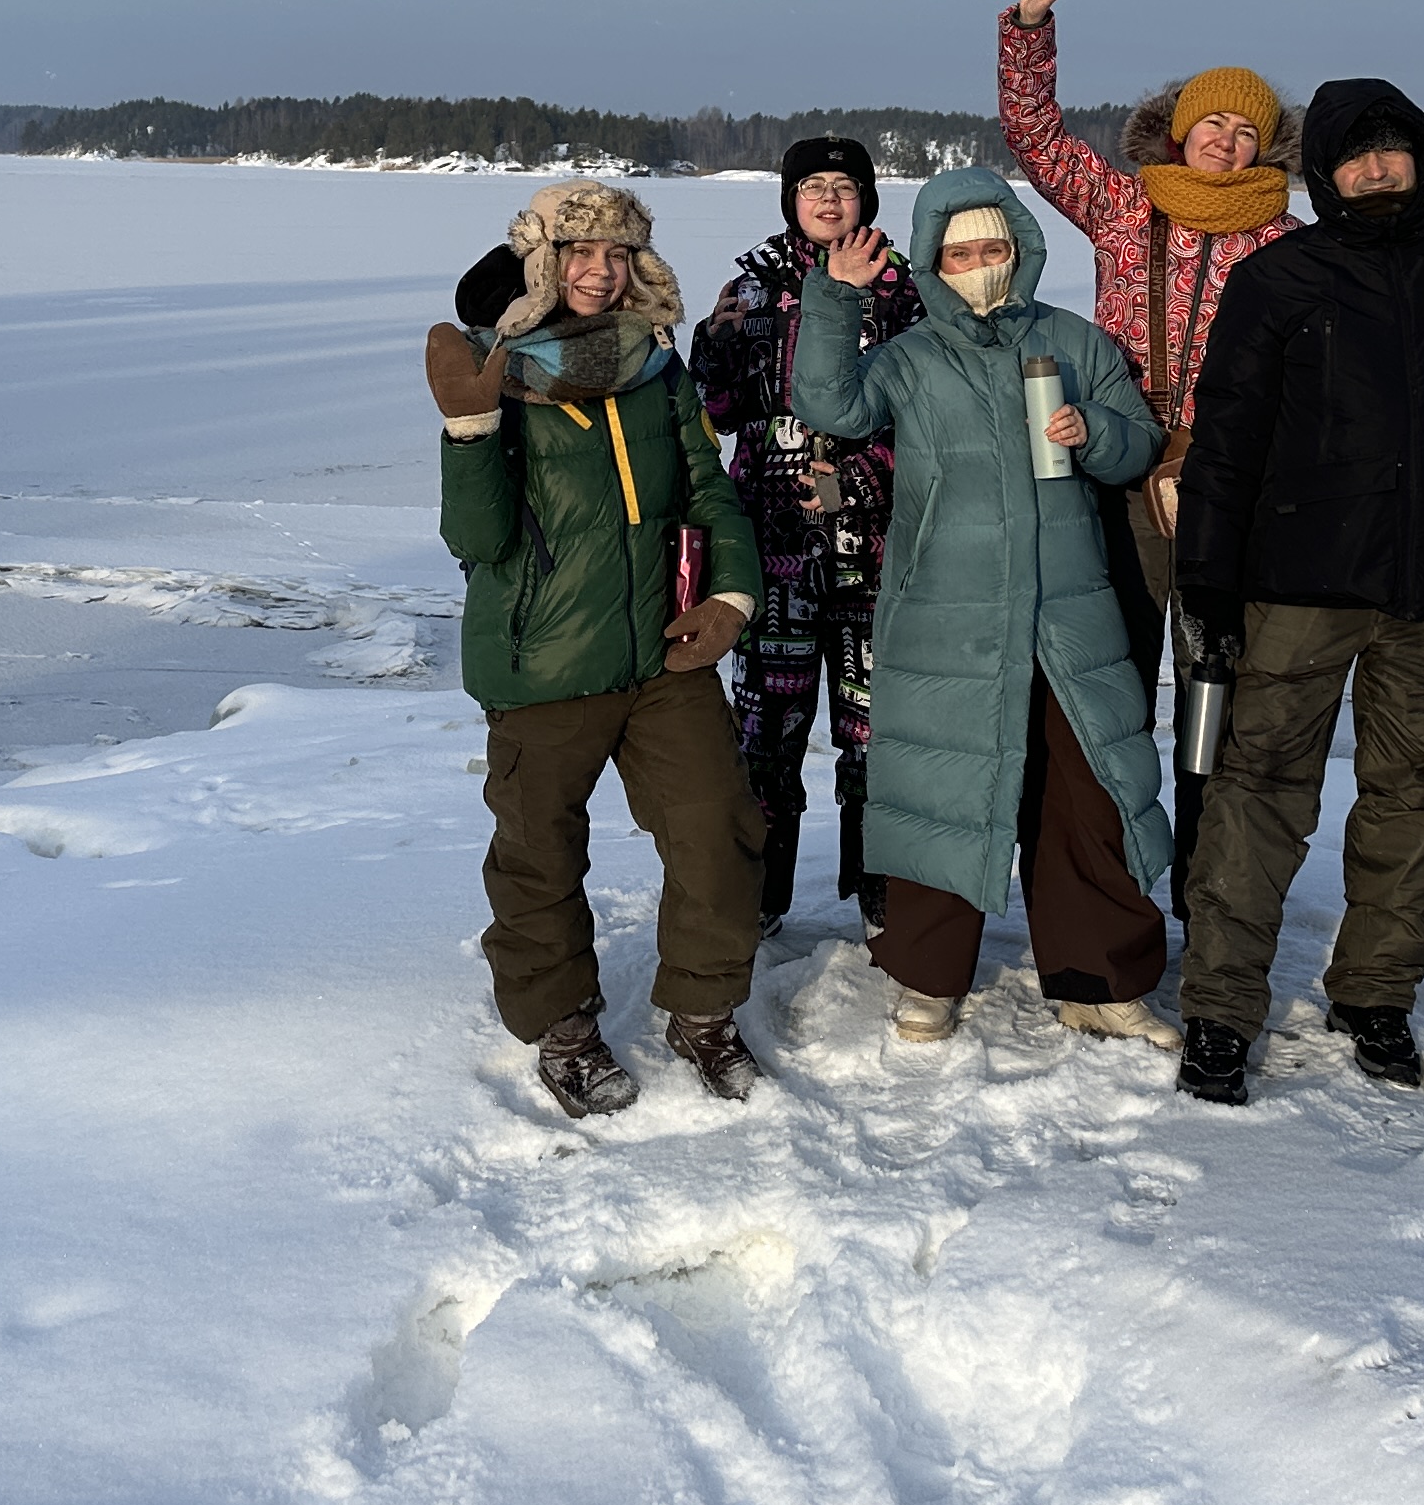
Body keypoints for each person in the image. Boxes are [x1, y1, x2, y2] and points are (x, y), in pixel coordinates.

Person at [795, 166, 1180, 1048]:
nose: (978, 264)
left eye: (992, 248)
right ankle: (929, 980)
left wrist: (1097, 433)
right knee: (944, 793)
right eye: (959, 251)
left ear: (1020, 251)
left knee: (1085, 796)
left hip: (1066, 613)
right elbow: (830, 406)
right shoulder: (910, 356)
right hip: (947, 611)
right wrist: (835, 300)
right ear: (934, 260)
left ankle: (1100, 980)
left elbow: (1136, 448)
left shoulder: (1075, 343)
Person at [1165, 79, 1424, 1106]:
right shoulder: (1280, 280)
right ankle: (1219, 1013)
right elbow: (1223, 446)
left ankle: (1376, 994)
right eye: (1358, 154)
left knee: (1413, 800)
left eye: (1395, 150)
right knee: (1257, 798)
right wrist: (1208, 590)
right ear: (1323, 172)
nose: (1378, 167)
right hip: (1299, 590)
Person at [427, 178, 768, 1122]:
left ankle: (702, 1010)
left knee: (718, 830)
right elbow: (479, 540)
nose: (600, 271)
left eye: (618, 254)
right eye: (580, 254)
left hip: (663, 656)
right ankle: (564, 1029)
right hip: (541, 663)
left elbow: (711, 492)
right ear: (543, 263)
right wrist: (469, 429)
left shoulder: (660, 369)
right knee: (538, 857)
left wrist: (730, 599)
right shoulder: (499, 368)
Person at [992, 0, 1299, 881]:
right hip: (1120, 469)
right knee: (1110, 680)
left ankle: (1206, 882)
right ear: (1176, 129)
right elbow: (1036, 138)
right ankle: (1108, 869)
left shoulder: (1286, 241)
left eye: (1245, 134)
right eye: (1210, 124)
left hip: (1224, 489)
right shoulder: (1126, 207)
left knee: (1218, 690)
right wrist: (1031, 26)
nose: (1225, 142)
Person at [690, 138, 927, 928]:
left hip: (875, 550)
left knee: (876, 731)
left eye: (847, 186)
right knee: (766, 730)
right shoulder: (750, 288)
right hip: (770, 549)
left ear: (868, 200)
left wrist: (864, 478)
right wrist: (710, 348)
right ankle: (759, 896)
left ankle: (883, 894)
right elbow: (714, 415)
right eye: (814, 186)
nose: (830, 200)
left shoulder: (908, 293)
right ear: (791, 198)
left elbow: (933, 416)